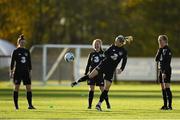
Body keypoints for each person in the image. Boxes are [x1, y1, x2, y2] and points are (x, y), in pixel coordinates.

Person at [72, 35, 128, 111]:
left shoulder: (124, 51)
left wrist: (121, 69)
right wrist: (111, 56)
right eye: (115, 40)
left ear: (121, 42)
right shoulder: (112, 47)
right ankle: (77, 82)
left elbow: (124, 61)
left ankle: (99, 104)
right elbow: (105, 53)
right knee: (90, 75)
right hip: (103, 65)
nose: (115, 42)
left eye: (117, 41)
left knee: (106, 87)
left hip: (110, 70)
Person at [10, 34, 35, 110]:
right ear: (18, 42)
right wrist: (11, 71)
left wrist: (30, 71)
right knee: (16, 88)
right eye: (21, 42)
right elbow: (12, 62)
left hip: (26, 72)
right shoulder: (15, 51)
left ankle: (30, 105)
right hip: (17, 72)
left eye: (24, 42)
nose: (23, 43)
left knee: (29, 88)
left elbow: (29, 62)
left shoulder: (27, 51)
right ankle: (16, 106)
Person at [84, 39, 110, 109]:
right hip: (92, 73)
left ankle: (108, 104)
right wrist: (86, 73)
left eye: (98, 44)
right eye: (95, 44)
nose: (96, 45)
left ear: (100, 45)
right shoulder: (91, 54)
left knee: (102, 89)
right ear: (93, 45)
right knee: (91, 89)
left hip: (100, 74)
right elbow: (88, 64)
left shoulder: (104, 54)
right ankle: (89, 105)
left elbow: (107, 64)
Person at [155, 35, 173, 110]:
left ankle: (169, 106)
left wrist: (164, 72)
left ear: (165, 41)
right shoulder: (161, 49)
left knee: (167, 87)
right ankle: (165, 105)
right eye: (159, 41)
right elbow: (156, 59)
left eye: (160, 40)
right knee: (162, 88)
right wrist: (159, 50)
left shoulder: (167, 50)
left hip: (166, 70)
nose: (159, 42)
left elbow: (167, 62)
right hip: (161, 70)